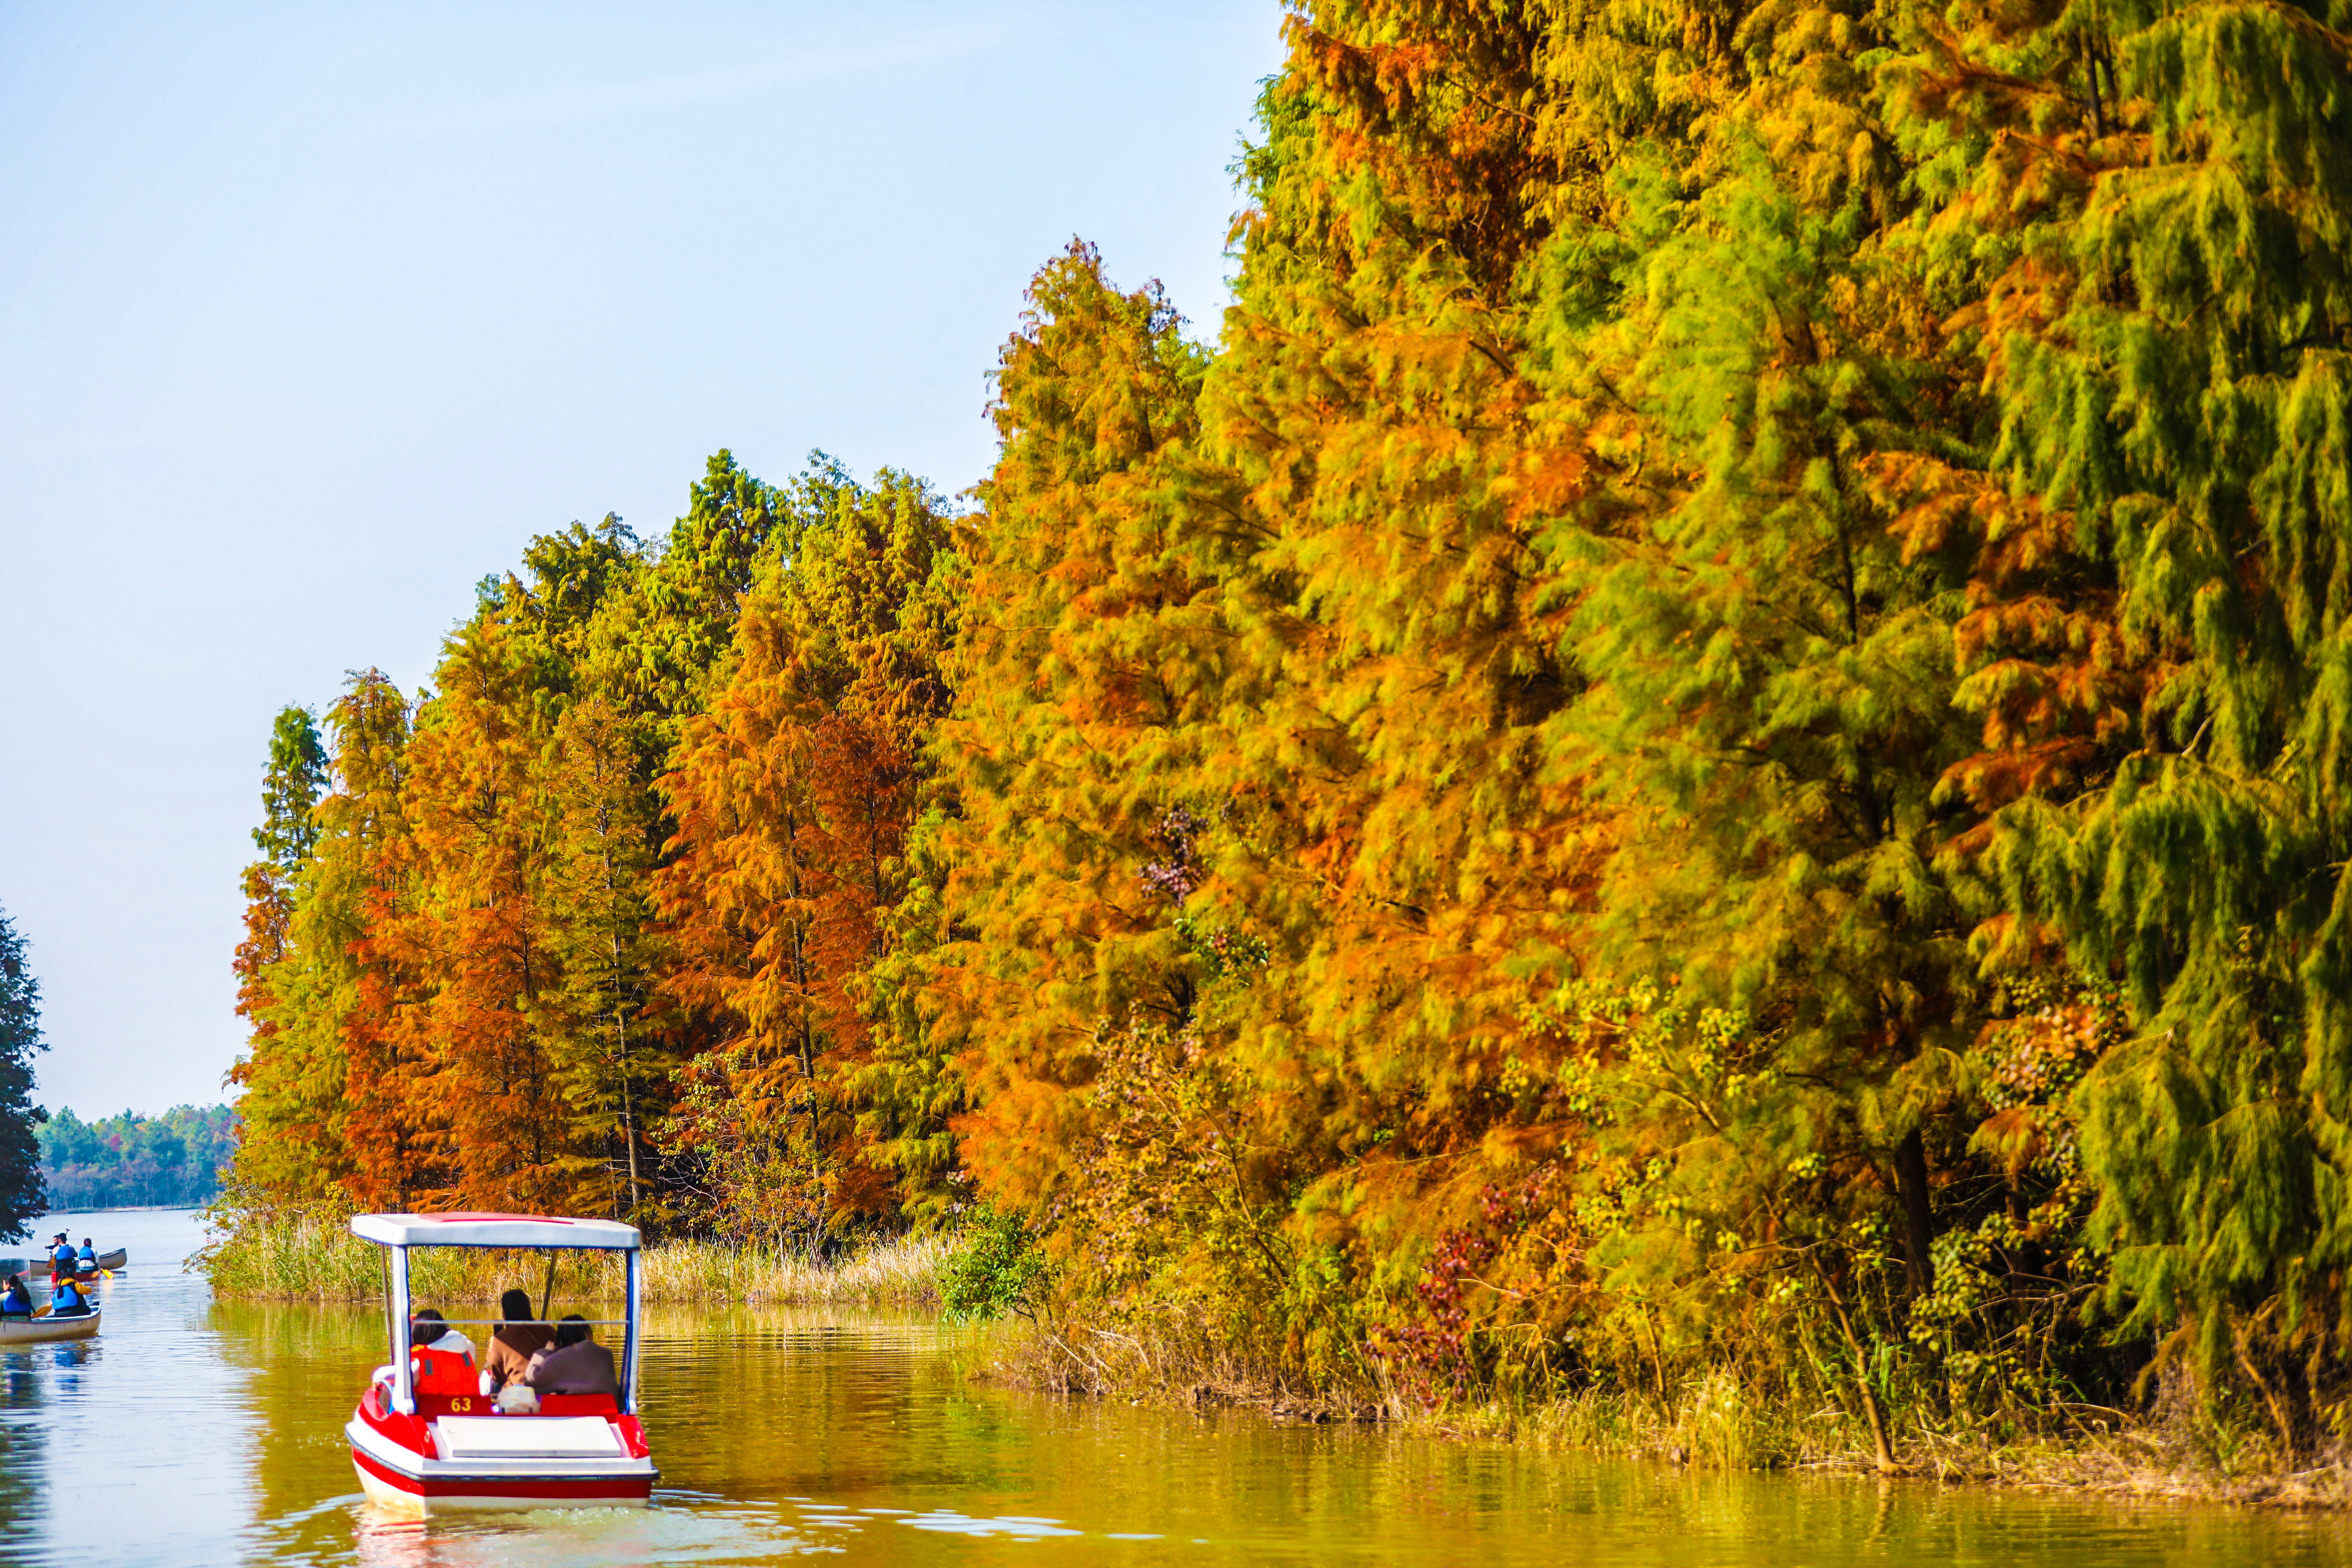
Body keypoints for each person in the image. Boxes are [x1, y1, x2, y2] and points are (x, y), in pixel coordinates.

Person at [525, 1314, 620, 1399]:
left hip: (573, 1413)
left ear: (561, 1341)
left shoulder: (558, 1360)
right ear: (587, 1334)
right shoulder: (606, 1355)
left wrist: (545, 1352)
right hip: (606, 1411)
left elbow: (531, 1384)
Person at [481, 1289, 553, 1392]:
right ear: (528, 1308)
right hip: (547, 1388)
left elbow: (497, 1376)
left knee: (488, 1381)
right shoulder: (549, 1330)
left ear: (505, 1313)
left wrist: (491, 1349)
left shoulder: (501, 1339)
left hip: (517, 1392)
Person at [407, 1307, 478, 1396]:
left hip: (434, 1409)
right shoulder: (468, 1349)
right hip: (469, 1408)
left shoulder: (420, 1362)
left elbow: (402, 1380)